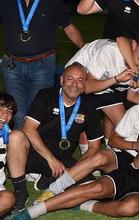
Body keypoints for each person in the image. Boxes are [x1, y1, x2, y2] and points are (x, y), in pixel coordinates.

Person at [1, 95, 139, 220]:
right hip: (136, 173)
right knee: (97, 187)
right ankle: (29, 213)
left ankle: (82, 206)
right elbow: (138, 163)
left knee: (129, 209)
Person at [34, 74, 139, 203]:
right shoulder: (136, 111)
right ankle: (52, 189)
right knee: (99, 156)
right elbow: (114, 140)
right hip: (128, 156)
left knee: (108, 193)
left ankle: (84, 198)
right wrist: (134, 145)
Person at [0, 0, 85, 129]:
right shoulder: (5, 0)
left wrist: (87, 51)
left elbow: (69, 28)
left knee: (36, 113)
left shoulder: (51, 1)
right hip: (12, 67)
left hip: (42, 66)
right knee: (18, 114)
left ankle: (35, 153)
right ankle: (19, 153)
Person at [7, 63, 103, 211]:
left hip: (63, 160)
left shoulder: (89, 106)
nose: (74, 84)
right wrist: (51, 160)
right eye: (70, 79)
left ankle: (45, 180)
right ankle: (21, 192)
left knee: (92, 188)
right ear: (61, 80)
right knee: (15, 136)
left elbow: (95, 147)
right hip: (34, 153)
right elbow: (29, 129)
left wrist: (75, 170)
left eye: (80, 80)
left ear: (85, 84)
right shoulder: (46, 95)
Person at [85, 30, 139, 139]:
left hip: (106, 86)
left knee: (124, 129)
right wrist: (116, 79)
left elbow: (132, 96)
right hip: (83, 73)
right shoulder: (111, 51)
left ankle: (110, 148)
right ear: (134, 45)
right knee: (81, 121)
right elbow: (87, 87)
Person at [0, 93, 16, 218]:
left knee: (8, 199)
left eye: (9, 111)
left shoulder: (9, 135)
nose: (4, 115)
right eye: (0, 109)